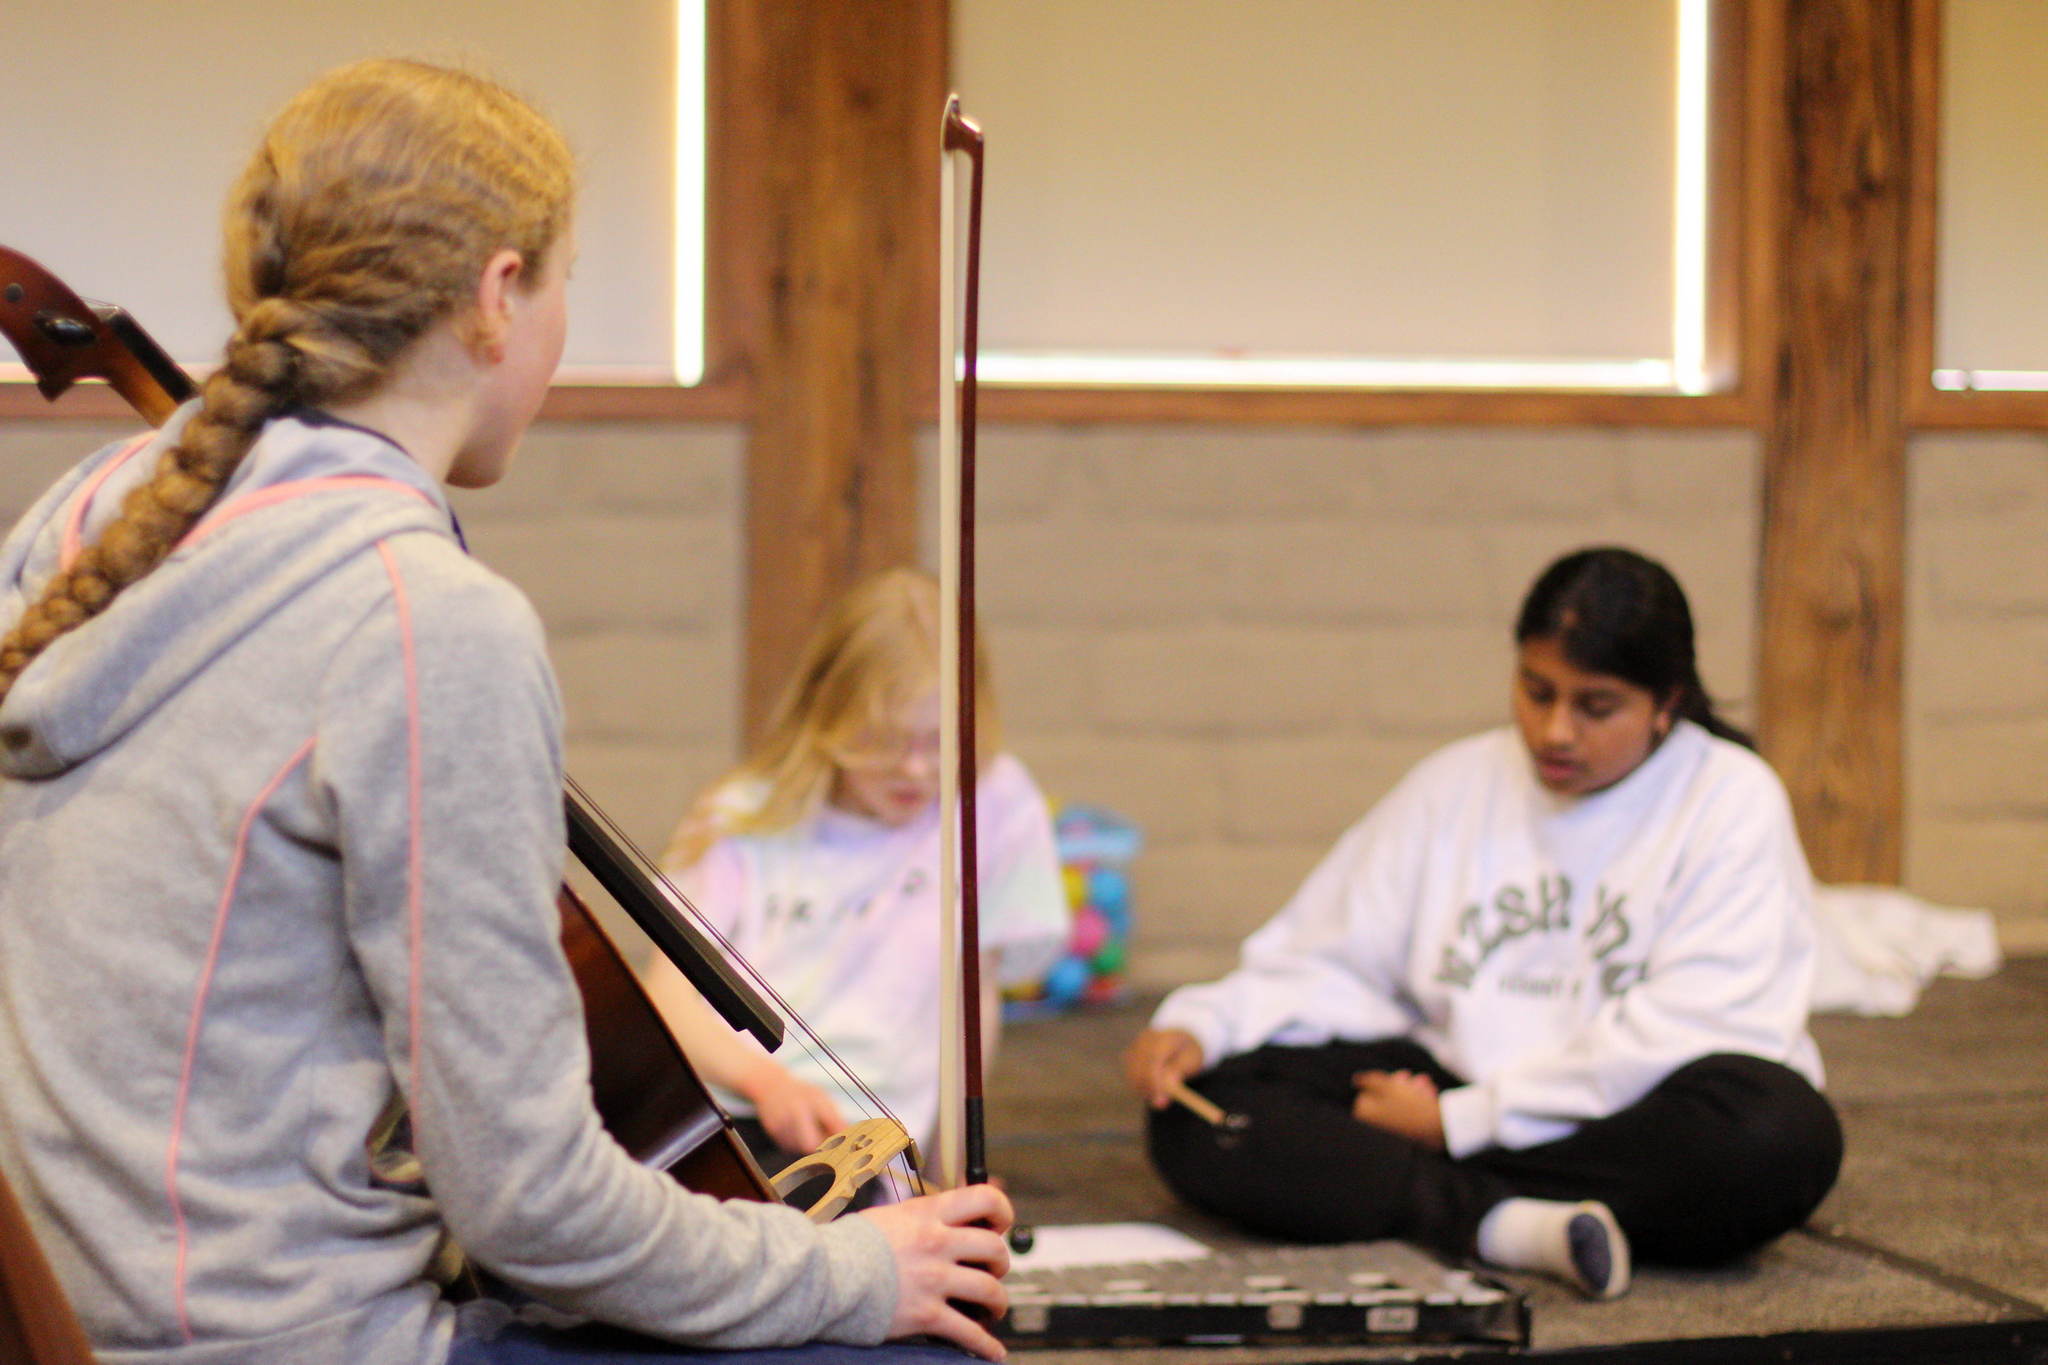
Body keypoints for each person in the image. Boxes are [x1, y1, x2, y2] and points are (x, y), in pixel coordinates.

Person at [0, 59, 1013, 1365]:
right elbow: (535, 1207)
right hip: (299, 1341)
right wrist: (848, 1274)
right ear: (497, 295)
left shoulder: (77, 525)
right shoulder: (421, 618)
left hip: (94, 1318)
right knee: (927, 1345)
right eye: (564, 281)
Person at [1123, 547, 1843, 1301]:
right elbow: (1336, 954)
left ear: (1666, 702)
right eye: (1536, 692)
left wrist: (1460, 1122)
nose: (1555, 730)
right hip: (1446, 1085)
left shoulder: (1729, 797)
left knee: (1779, 1134)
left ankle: (1449, 1202)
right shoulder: (1458, 781)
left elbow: (1690, 1029)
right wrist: (1204, 1024)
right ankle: (1507, 1223)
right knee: (1201, 1108)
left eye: (1596, 706)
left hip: (1618, 1118)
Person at [645, 567, 1067, 1187]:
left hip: (875, 1143)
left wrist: (954, 1167)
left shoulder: (995, 800)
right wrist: (766, 1082)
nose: (915, 770)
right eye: (884, 740)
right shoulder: (743, 812)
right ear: (827, 713)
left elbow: (973, 993)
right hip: (729, 1110)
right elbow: (668, 994)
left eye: (938, 740)